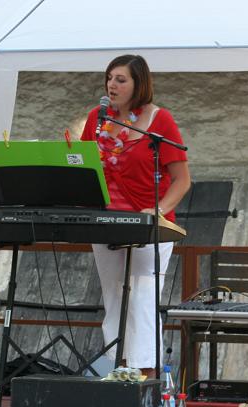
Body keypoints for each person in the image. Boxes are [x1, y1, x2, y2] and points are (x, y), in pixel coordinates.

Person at [81, 55, 191, 377]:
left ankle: (146, 374)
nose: (112, 85)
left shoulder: (160, 120)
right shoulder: (97, 118)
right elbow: (83, 166)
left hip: (148, 226)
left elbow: (182, 180)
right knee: (114, 297)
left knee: (142, 296)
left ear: (138, 84)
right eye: (109, 78)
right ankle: (120, 370)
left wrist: (158, 209)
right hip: (105, 223)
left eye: (121, 80)